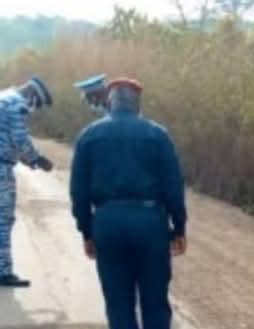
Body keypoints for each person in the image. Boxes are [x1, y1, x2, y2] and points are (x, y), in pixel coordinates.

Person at [69, 78, 187, 329]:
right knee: (155, 301)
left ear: (109, 102)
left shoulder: (88, 136)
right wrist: (179, 228)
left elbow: (78, 192)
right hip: (150, 224)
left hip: (107, 224)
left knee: (118, 302)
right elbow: (174, 187)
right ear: (137, 104)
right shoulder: (158, 135)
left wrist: (87, 232)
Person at [0, 76, 55, 287]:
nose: (33, 110)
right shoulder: (16, 104)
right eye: (37, 104)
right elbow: (20, 138)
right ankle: (3, 273)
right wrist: (37, 158)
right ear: (32, 95)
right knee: (1, 220)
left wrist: (24, 158)